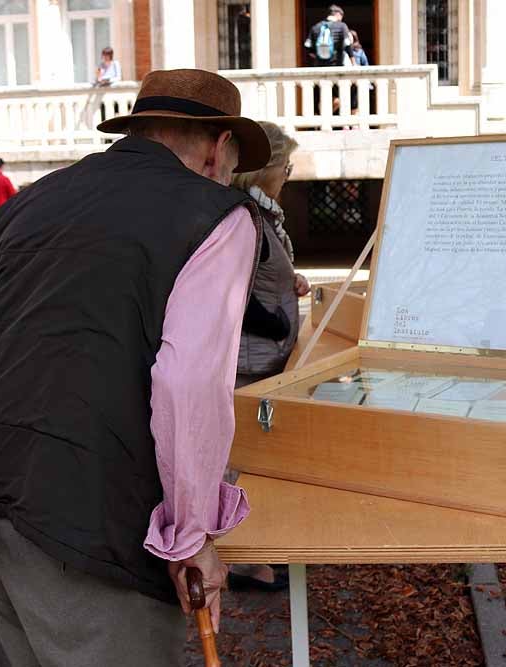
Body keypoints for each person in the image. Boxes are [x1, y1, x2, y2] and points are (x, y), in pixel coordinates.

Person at [0, 68, 272, 666]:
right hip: (98, 534)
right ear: (219, 148)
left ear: (138, 130)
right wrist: (190, 536)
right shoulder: (219, 215)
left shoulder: (37, 196)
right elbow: (188, 386)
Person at [225, 122, 307, 592]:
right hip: (251, 361)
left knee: (253, 459)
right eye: (286, 167)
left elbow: (263, 275)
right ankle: (245, 561)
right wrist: (274, 322)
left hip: (263, 360)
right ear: (263, 170)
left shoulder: (263, 216)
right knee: (242, 461)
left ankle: (259, 553)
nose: (289, 176)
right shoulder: (246, 218)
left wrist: (289, 283)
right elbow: (232, 289)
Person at [303, 5, 354, 114]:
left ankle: (321, 117)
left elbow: (307, 48)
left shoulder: (315, 27)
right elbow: (348, 46)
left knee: (321, 95)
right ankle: (327, 116)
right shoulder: (341, 26)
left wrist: (317, 58)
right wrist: (353, 63)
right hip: (336, 68)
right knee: (339, 97)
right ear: (338, 14)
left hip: (319, 68)